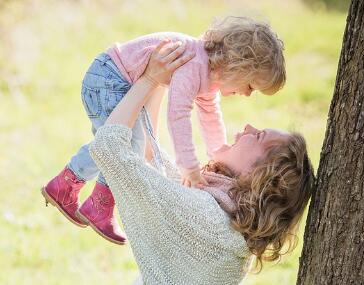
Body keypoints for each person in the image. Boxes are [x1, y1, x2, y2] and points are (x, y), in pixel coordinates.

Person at [42, 16, 286, 245]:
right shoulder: (195, 64)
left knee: (122, 142)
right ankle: (94, 202)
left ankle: (72, 189)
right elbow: (177, 114)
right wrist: (189, 167)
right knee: (122, 143)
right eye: (250, 86)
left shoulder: (208, 74)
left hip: (115, 79)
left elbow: (210, 116)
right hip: (109, 79)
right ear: (238, 66)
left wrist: (218, 153)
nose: (246, 94)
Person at [87, 40, 314, 284]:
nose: (248, 127)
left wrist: (149, 80)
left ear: (258, 174)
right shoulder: (225, 214)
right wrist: (168, 81)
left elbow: (108, 148)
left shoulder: (207, 220)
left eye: (258, 136)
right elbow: (150, 156)